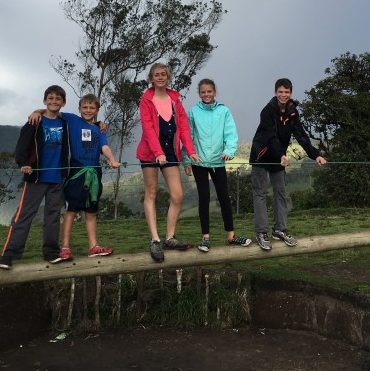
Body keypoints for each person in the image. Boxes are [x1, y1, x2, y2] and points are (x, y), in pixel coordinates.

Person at [30, 94, 120, 260]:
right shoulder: (72, 120)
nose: (88, 110)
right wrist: (37, 111)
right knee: (71, 210)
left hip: (94, 171)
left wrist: (112, 159)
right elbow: (53, 110)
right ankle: (65, 247)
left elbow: (105, 147)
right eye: (84, 107)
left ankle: (93, 246)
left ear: (97, 110)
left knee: (91, 211)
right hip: (77, 170)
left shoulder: (99, 129)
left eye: (92, 108)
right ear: (79, 109)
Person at [249, 78, 326, 251]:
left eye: (287, 92)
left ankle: (279, 229)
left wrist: (316, 155)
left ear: (291, 93)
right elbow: (271, 136)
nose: (283, 95)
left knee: (281, 193)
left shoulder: (292, 112)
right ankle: (261, 232)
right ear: (275, 92)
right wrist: (281, 155)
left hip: (279, 157)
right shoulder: (267, 111)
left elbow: (301, 135)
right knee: (260, 195)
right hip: (261, 156)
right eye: (280, 91)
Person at [0, 85, 70, 270]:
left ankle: (51, 252)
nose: (54, 101)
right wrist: (23, 163)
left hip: (56, 177)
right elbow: (21, 146)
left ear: (63, 103)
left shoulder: (64, 123)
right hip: (36, 177)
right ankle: (9, 254)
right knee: (24, 215)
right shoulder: (34, 122)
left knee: (53, 216)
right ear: (44, 100)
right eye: (51, 98)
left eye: (58, 99)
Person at [136, 63, 201, 262]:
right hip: (150, 153)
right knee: (152, 192)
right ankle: (155, 239)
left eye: (164, 74)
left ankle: (169, 237)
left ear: (168, 77)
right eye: (157, 75)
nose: (161, 77)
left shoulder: (175, 99)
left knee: (178, 195)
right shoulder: (146, 100)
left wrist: (190, 152)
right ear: (151, 78)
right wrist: (157, 153)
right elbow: (147, 128)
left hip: (171, 153)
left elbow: (184, 128)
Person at [183, 78, 251, 252]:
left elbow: (231, 133)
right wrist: (187, 160)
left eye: (209, 91)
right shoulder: (192, 112)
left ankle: (231, 236)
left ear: (215, 92)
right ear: (199, 93)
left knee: (224, 198)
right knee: (204, 198)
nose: (206, 94)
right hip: (199, 162)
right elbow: (187, 137)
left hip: (218, 161)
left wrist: (229, 150)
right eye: (203, 92)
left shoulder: (224, 111)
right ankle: (205, 238)